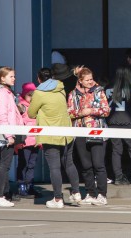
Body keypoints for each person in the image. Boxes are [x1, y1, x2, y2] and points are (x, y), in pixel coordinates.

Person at [28, 68, 82, 209]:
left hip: (50, 133)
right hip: (66, 131)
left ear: (39, 79)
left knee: (54, 167)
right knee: (69, 163)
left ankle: (58, 198)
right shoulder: (60, 88)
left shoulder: (39, 93)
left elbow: (31, 113)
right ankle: (76, 192)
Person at [67, 67, 110, 205]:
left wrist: (91, 110)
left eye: (91, 79)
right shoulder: (73, 94)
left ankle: (102, 195)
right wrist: (81, 113)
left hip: (97, 131)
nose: (90, 82)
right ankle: (91, 193)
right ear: (80, 80)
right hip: (80, 131)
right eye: (87, 80)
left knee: (99, 164)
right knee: (86, 165)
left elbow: (106, 110)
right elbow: (70, 112)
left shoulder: (99, 91)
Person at [0, 66, 23, 207]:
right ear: (2, 78)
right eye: (11, 76)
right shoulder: (2, 93)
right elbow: (2, 115)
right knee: (4, 166)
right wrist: (9, 135)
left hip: (4, 132)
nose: (14, 79)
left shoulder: (6, 92)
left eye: (14, 76)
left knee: (1, 165)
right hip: (3, 133)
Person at [15, 82, 40, 199]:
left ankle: (30, 185)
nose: (31, 98)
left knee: (32, 164)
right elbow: (17, 112)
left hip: (35, 141)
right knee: (23, 164)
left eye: (33, 95)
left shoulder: (37, 107)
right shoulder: (22, 106)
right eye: (29, 95)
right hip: (24, 142)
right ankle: (21, 186)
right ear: (24, 95)